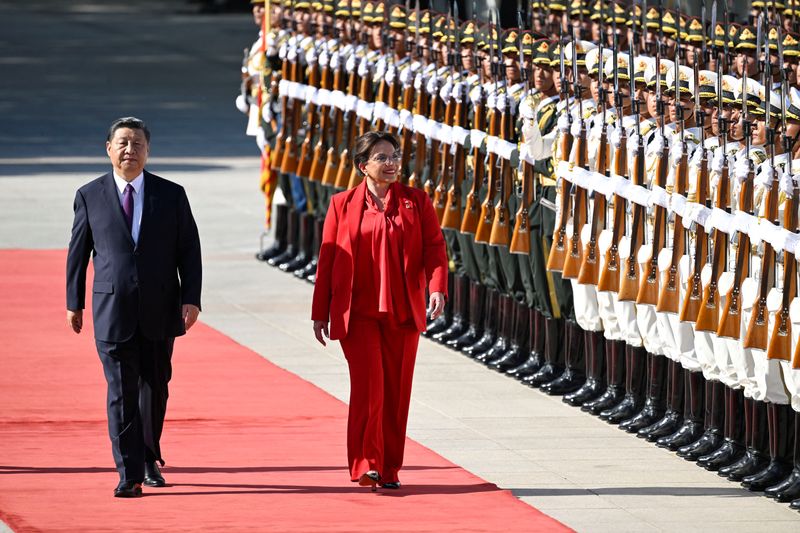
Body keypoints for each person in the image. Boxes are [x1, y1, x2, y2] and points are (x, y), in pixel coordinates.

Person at [66, 117, 202, 498]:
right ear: (108, 148)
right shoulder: (89, 194)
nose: (130, 150)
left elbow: (189, 250)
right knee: (121, 391)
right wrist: (72, 302)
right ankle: (129, 472)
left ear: (148, 150)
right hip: (112, 309)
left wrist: (191, 298)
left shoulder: (171, 194)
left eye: (138, 144)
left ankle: (147, 456)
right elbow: (78, 254)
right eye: (123, 143)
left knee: (154, 388)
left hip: (161, 307)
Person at [311, 131, 448, 490]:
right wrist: (320, 311)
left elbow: (435, 249)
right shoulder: (342, 204)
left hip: (402, 313)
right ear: (363, 167)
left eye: (394, 156)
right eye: (382, 158)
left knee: (396, 392)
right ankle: (365, 464)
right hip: (357, 314)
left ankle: (389, 468)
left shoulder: (416, 202)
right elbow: (328, 258)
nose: (391, 164)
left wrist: (436, 289)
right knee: (369, 388)